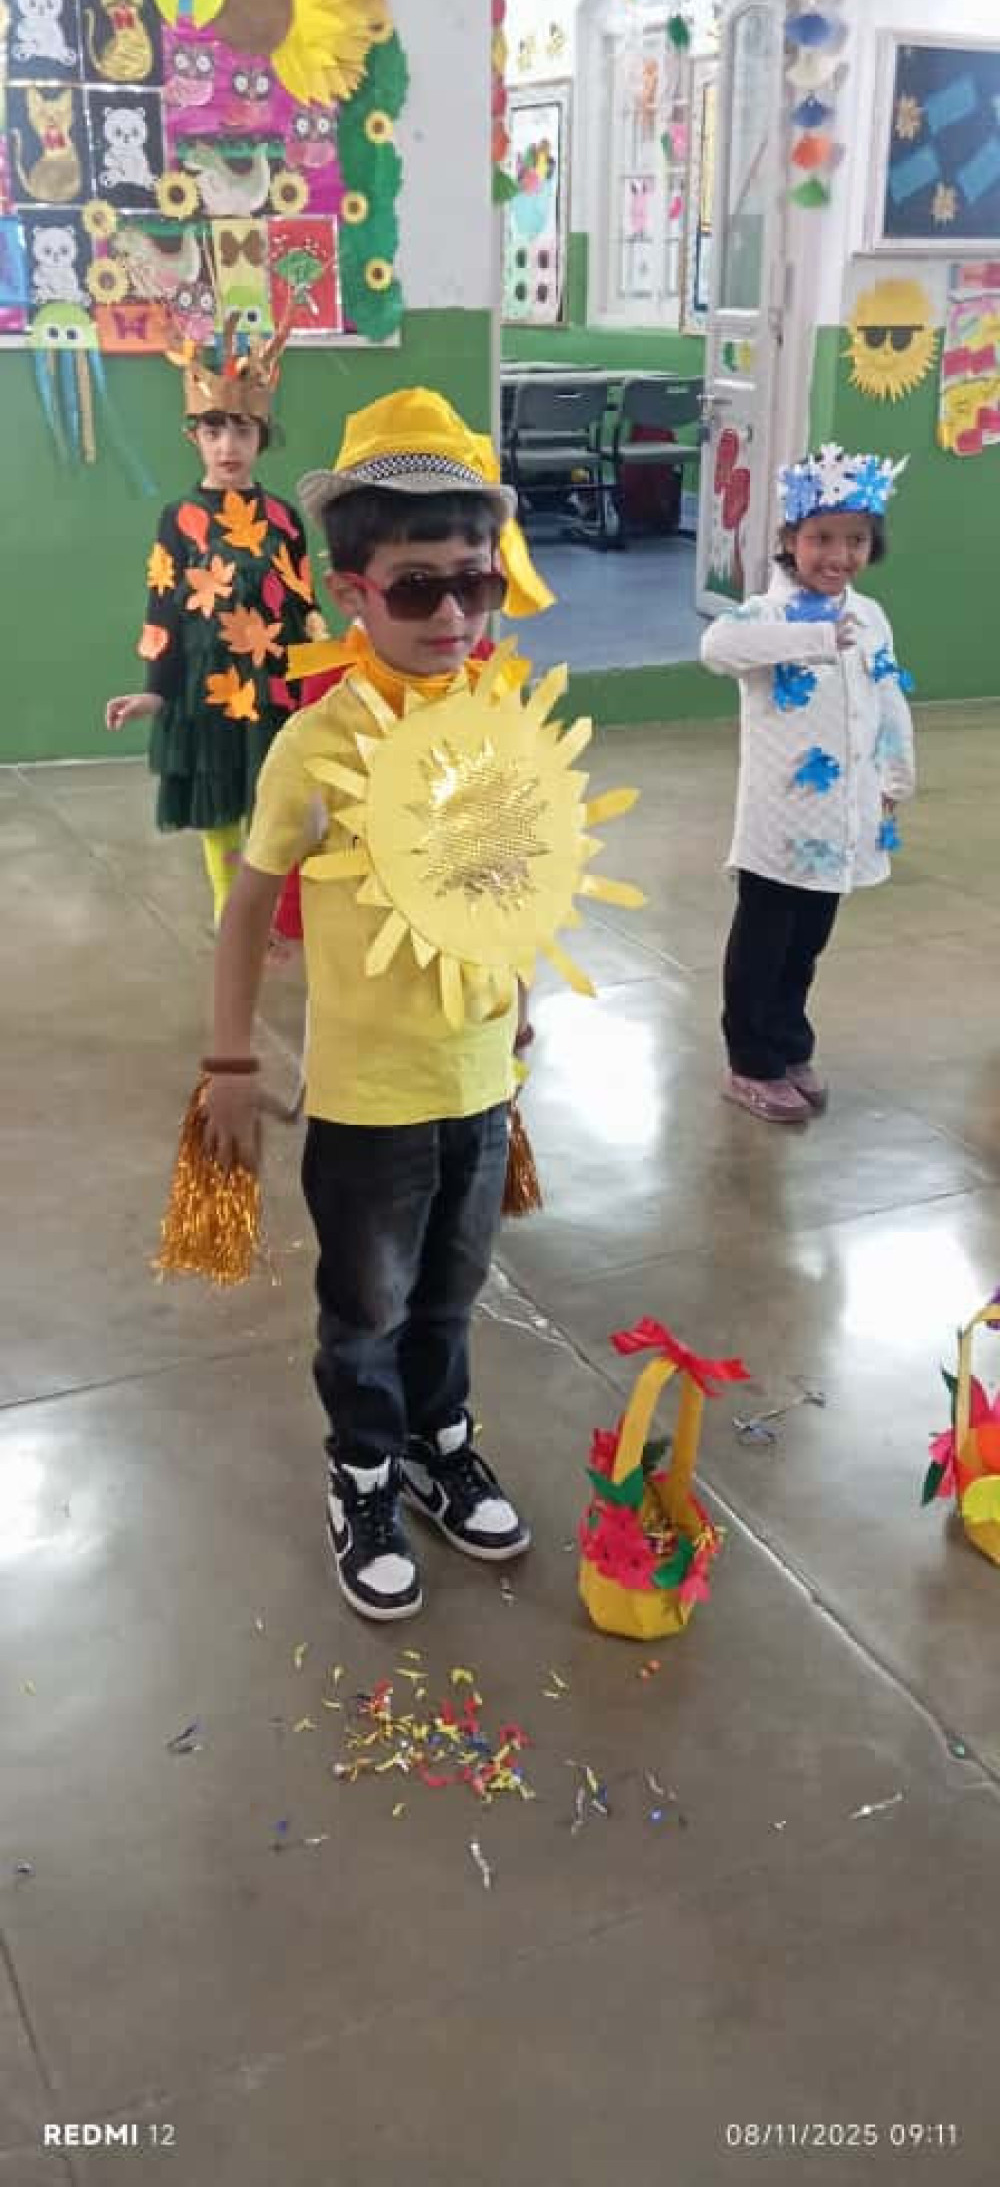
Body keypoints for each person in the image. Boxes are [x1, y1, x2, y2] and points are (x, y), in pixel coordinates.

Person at [201, 390, 556, 1622]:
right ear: (352, 590)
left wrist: (517, 993)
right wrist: (230, 1059)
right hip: (367, 1098)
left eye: (476, 583)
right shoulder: (318, 744)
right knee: (367, 1309)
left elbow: (507, 873)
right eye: (417, 588)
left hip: (480, 1079)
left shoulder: (495, 717)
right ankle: (360, 1467)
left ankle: (435, 1441)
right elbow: (248, 908)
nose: (453, 614)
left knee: (451, 1293)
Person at [702, 444, 916, 1123]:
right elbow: (716, 649)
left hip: (841, 818)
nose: (839, 555)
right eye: (822, 538)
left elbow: (887, 697)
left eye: (856, 540)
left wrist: (896, 774)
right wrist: (817, 638)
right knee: (764, 942)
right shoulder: (765, 615)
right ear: (791, 539)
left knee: (806, 945)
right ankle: (750, 1062)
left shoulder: (872, 614)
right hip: (780, 820)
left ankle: (789, 1045)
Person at [105, 318, 324, 943]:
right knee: (219, 799)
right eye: (213, 431)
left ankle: (268, 906)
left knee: (273, 803)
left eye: (243, 430)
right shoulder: (178, 518)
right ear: (194, 436)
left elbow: (305, 605)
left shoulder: (284, 517)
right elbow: (163, 608)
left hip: (274, 684)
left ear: (261, 437)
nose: (229, 445)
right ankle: (232, 911)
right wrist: (156, 689)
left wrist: (325, 680)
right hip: (208, 688)